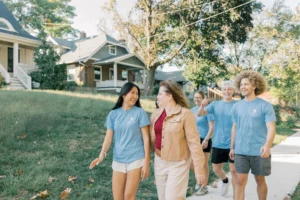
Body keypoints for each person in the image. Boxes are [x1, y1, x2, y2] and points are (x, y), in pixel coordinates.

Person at [89, 82, 150, 200]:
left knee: (128, 196)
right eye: (132, 92)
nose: (135, 96)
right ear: (123, 94)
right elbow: (108, 137)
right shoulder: (113, 114)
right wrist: (102, 154)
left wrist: (146, 162)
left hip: (136, 158)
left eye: (137, 93)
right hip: (118, 159)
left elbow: (146, 138)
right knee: (117, 197)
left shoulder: (140, 113)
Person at [150, 80, 206, 200]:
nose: (157, 97)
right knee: (162, 197)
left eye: (160, 94)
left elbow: (194, 144)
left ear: (169, 96)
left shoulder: (186, 114)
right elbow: (153, 138)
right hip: (159, 161)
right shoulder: (156, 114)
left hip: (178, 163)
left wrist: (199, 169)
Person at [230, 71, 276, 200]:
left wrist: (267, 146)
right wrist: (232, 147)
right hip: (241, 151)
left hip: (259, 151)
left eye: (246, 84)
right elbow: (234, 127)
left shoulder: (265, 105)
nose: (242, 87)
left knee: (260, 180)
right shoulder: (236, 106)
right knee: (239, 181)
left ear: (254, 86)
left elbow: (271, 127)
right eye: (241, 84)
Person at [198, 80, 237, 197]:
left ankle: (237, 195)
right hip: (218, 142)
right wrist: (202, 106)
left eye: (229, 89)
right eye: (224, 89)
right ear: (221, 91)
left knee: (234, 171)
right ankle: (225, 180)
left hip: (233, 144)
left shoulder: (237, 105)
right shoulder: (215, 105)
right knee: (216, 169)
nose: (227, 91)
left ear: (233, 91)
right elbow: (200, 114)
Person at [190, 91, 214, 196]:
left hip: (204, 139)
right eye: (195, 97)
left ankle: (204, 186)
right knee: (191, 163)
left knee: (203, 164)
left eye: (199, 97)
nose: (196, 99)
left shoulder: (207, 110)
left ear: (204, 98)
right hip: (193, 140)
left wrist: (206, 139)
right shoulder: (192, 110)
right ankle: (200, 180)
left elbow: (212, 127)